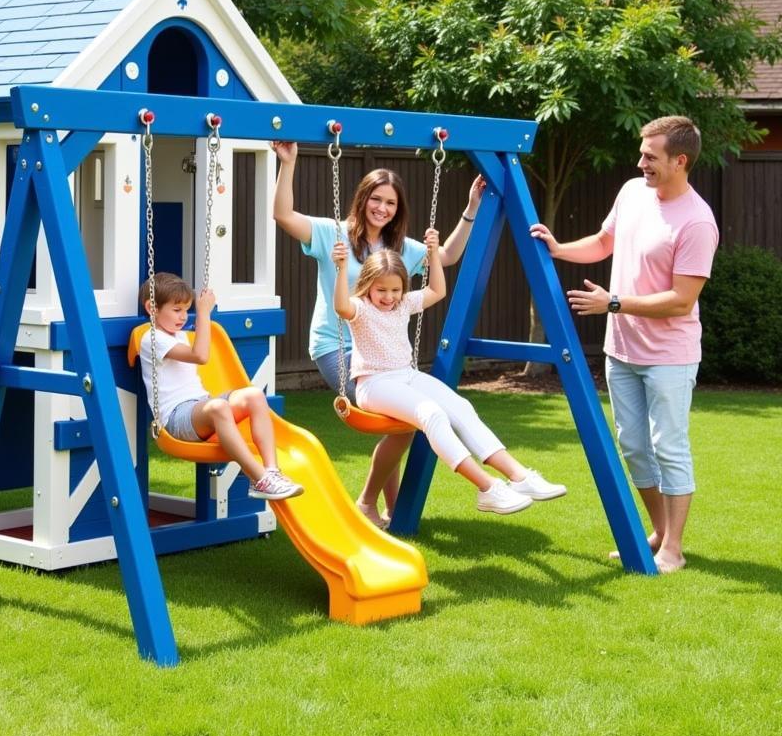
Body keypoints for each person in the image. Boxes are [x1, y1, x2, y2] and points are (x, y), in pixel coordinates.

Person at [530, 116, 718, 573]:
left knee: (668, 446)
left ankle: (674, 548)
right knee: (633, 445)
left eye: (650, 156)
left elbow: (681, 300)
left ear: (680, 160)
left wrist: (613, 303)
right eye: (642, 153)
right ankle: (657, 531)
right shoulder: (633, 193)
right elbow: (603, 241)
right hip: (623, 350)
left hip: (669, 356)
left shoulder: (697, 222)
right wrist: (558, 248)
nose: (641, 163)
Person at [271, 139, 484, 527]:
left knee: (404, 419)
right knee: (404, 420)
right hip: (336, 345)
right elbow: (283, 215)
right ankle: (368, 501)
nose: (382, 208)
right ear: (363, 198)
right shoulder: (332, 234)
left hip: (383, 352)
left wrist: (470, 210)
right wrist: (288, 163)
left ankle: (392, 507)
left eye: (391, 203)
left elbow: (447, 257)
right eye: (377, 199)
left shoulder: (398, 247)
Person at [332, 237, 566, 515]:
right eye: (381, 289)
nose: (389, 297)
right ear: (368, 284)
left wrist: (433, 255)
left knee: (460, 406)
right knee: (432, 414)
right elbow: (341, 307)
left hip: (406, 375)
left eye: (395, 290)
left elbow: (437, 290)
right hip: (374, 383)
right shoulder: (360, 307)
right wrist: (342, 267)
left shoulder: (403, 304)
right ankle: (488, 488)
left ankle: (520, 477)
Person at [139, 272, 303, 501]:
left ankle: (272, 470)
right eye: (177, 310)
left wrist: (199, 319)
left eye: (187, 310)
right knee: (218, 408)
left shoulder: (178, 336)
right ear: (152, 307)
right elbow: (200, 355)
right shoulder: (152, 339)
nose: (183, 317)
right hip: (176, 418)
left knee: (254, 395)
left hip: (199, 407)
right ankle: (259, 479)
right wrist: (203, 313)